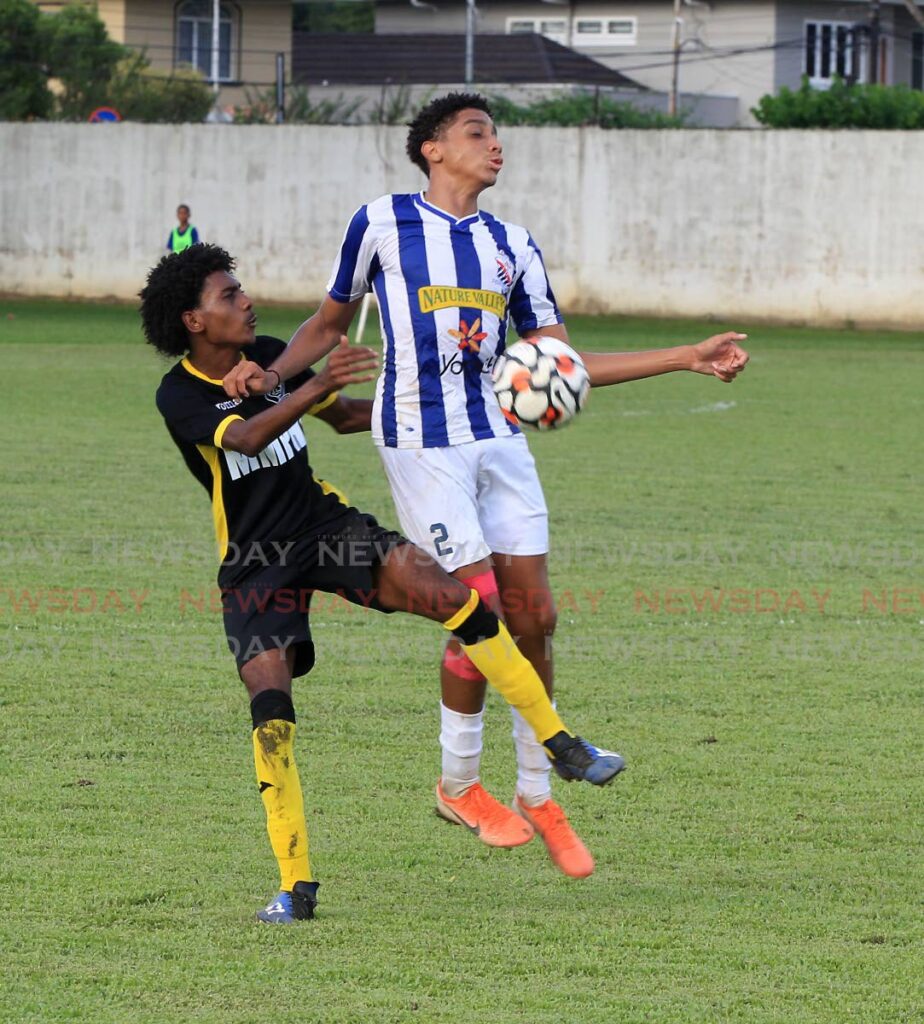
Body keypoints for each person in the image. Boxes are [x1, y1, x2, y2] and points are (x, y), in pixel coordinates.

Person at [222, 92, 749, 879]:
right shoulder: (382, 223)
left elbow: (560, 363)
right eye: (478, 133)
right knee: (483, 608)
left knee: (537, 614)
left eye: (497, 135)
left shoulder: (514, 245)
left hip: (498, 440)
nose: (495, 146)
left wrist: (683, 355)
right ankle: (459, 785)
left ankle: (537, 791)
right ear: (432, 149)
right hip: (421, 443)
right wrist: (269, 375)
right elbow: (328, 325)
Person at [141, 242, 625, 923]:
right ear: (193, 321)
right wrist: (310, 383)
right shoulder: (180, 393)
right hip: (257, 561)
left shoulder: (272, 355)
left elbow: (339, 417)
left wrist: (426, 411)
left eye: (240, 288)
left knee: (461, 600)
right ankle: (296, 886)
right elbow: (247, 439)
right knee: (271, 714)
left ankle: (561, 745)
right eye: (229, 295)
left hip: (325, 526)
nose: (246, 300)